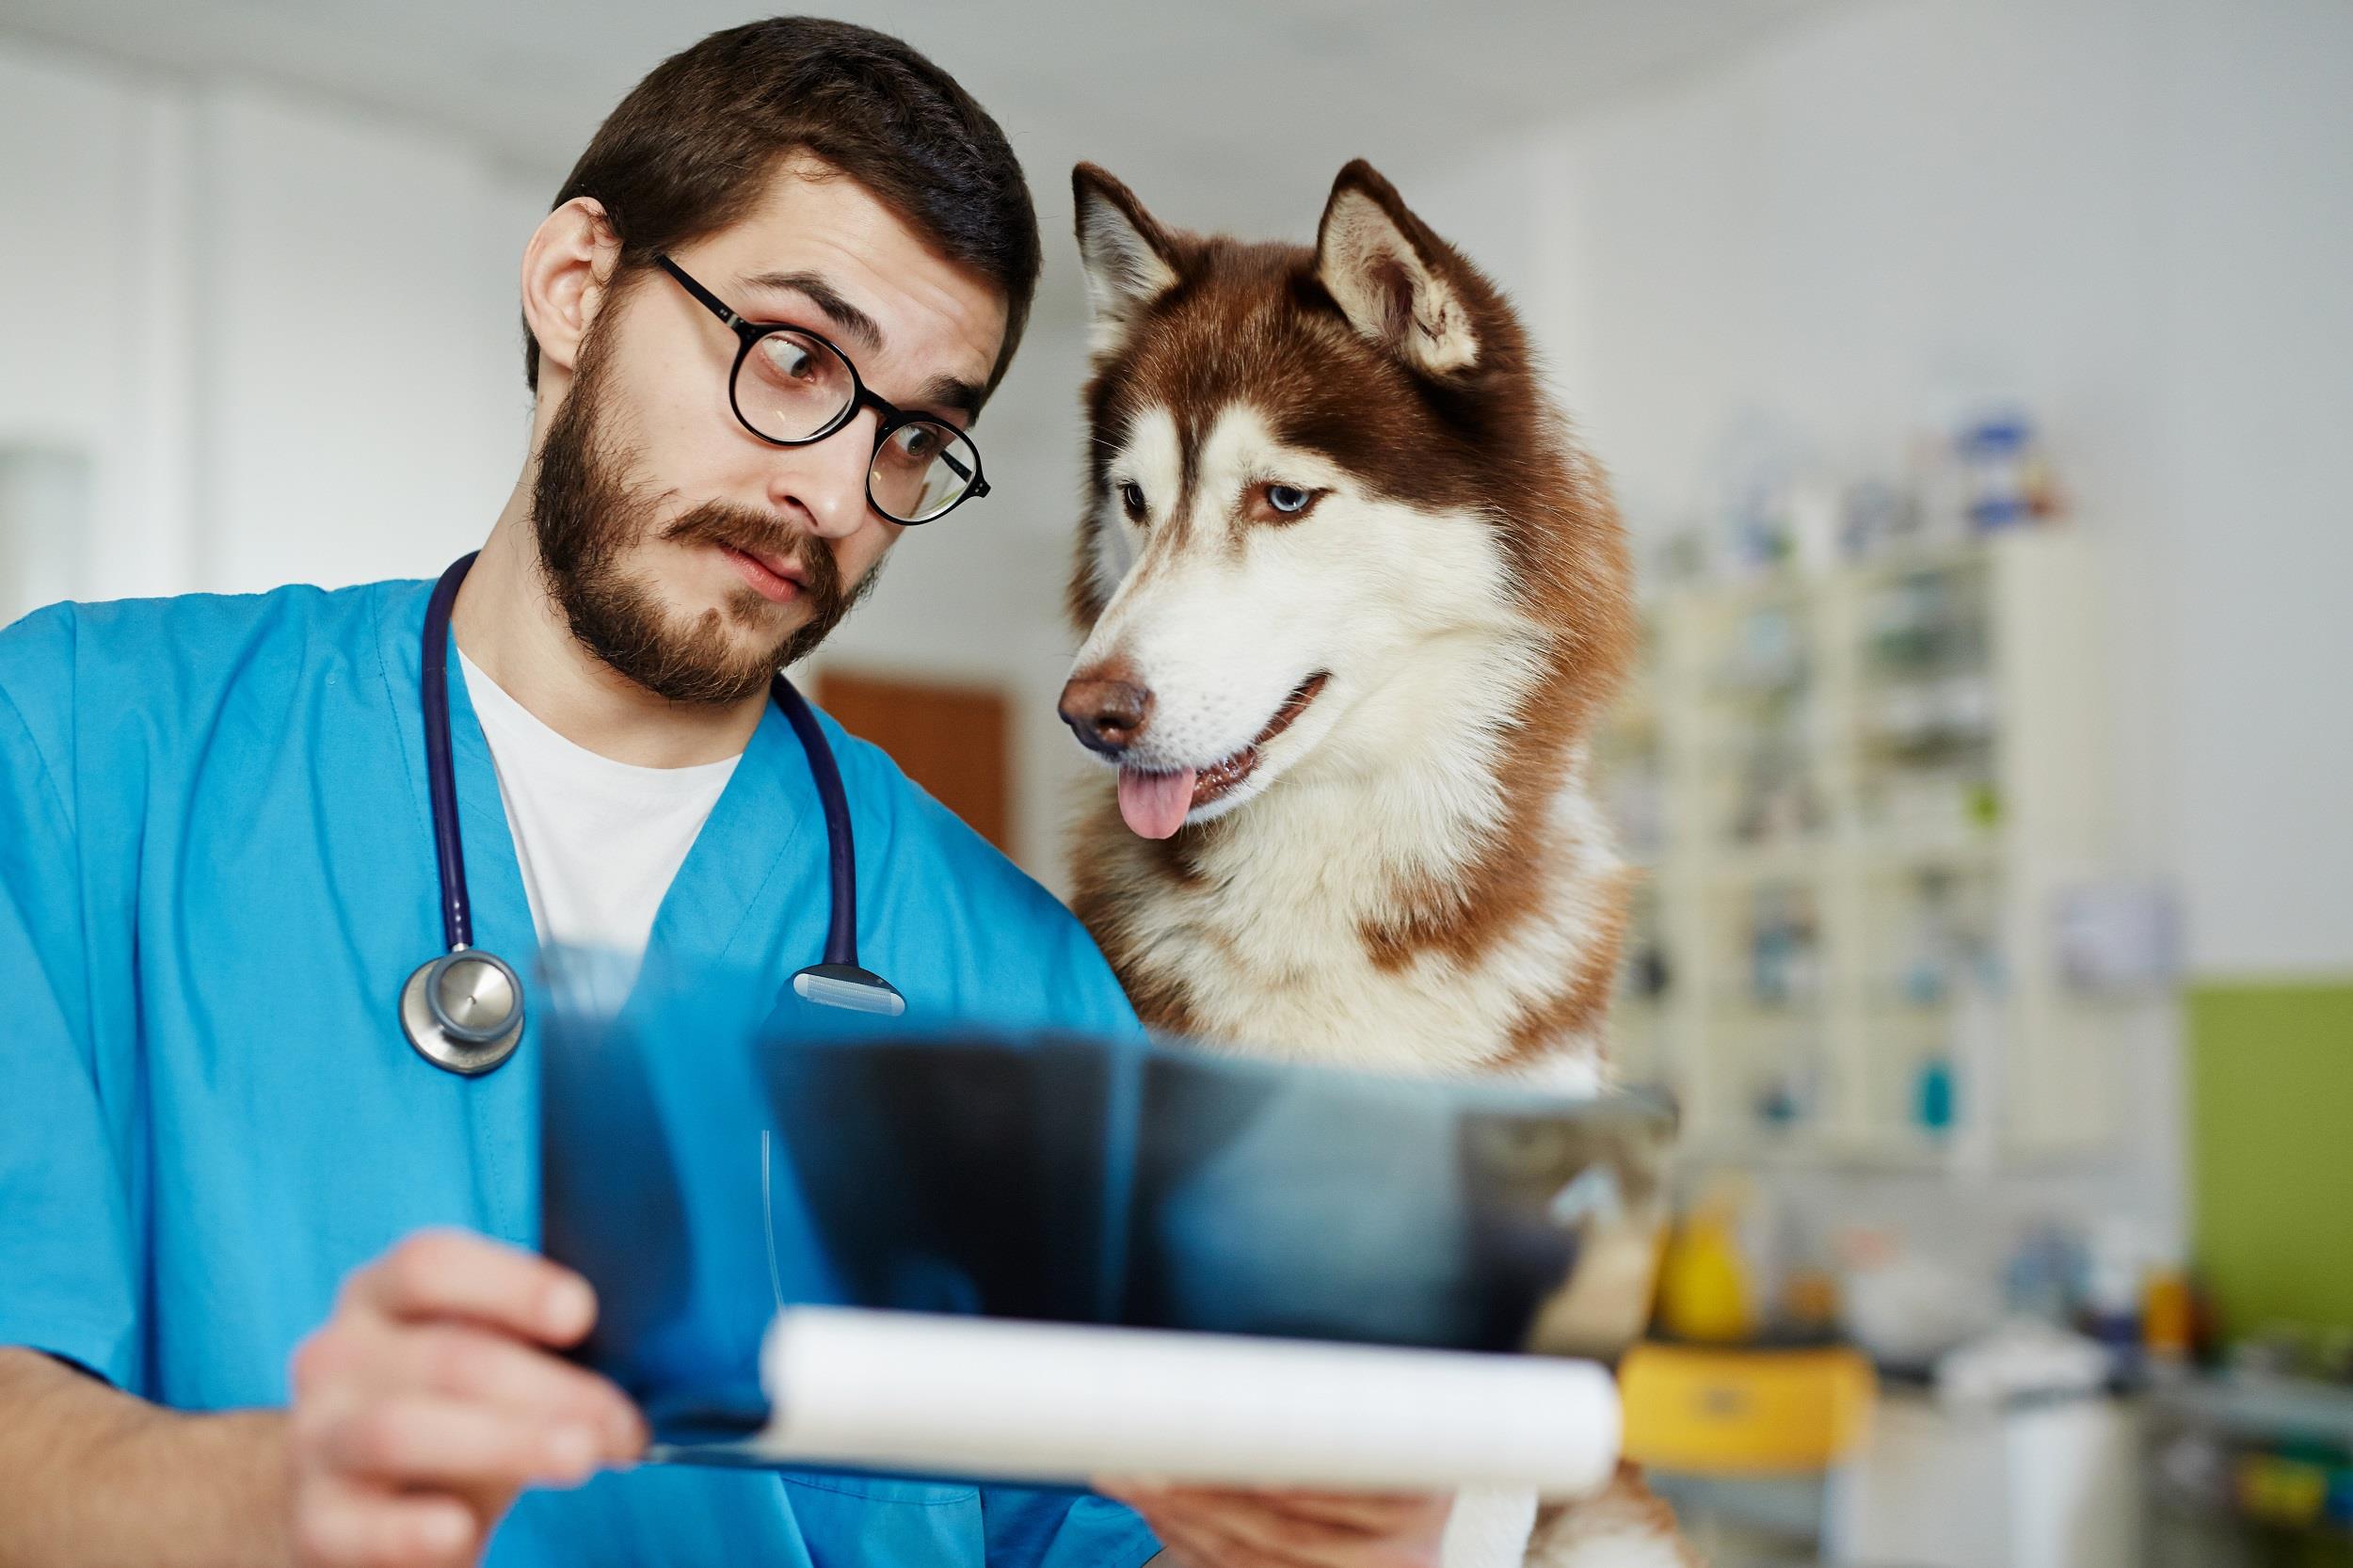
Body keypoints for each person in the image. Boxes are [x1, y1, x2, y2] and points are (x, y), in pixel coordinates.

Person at [0, 16, 1452, 1568]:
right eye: (794, 357)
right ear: (575, 288)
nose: (833, 492)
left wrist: (1316, 1550)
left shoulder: (1015, 980)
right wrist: (267, 1498)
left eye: (916, 436)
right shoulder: (84, 744)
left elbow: (1092, 1540)